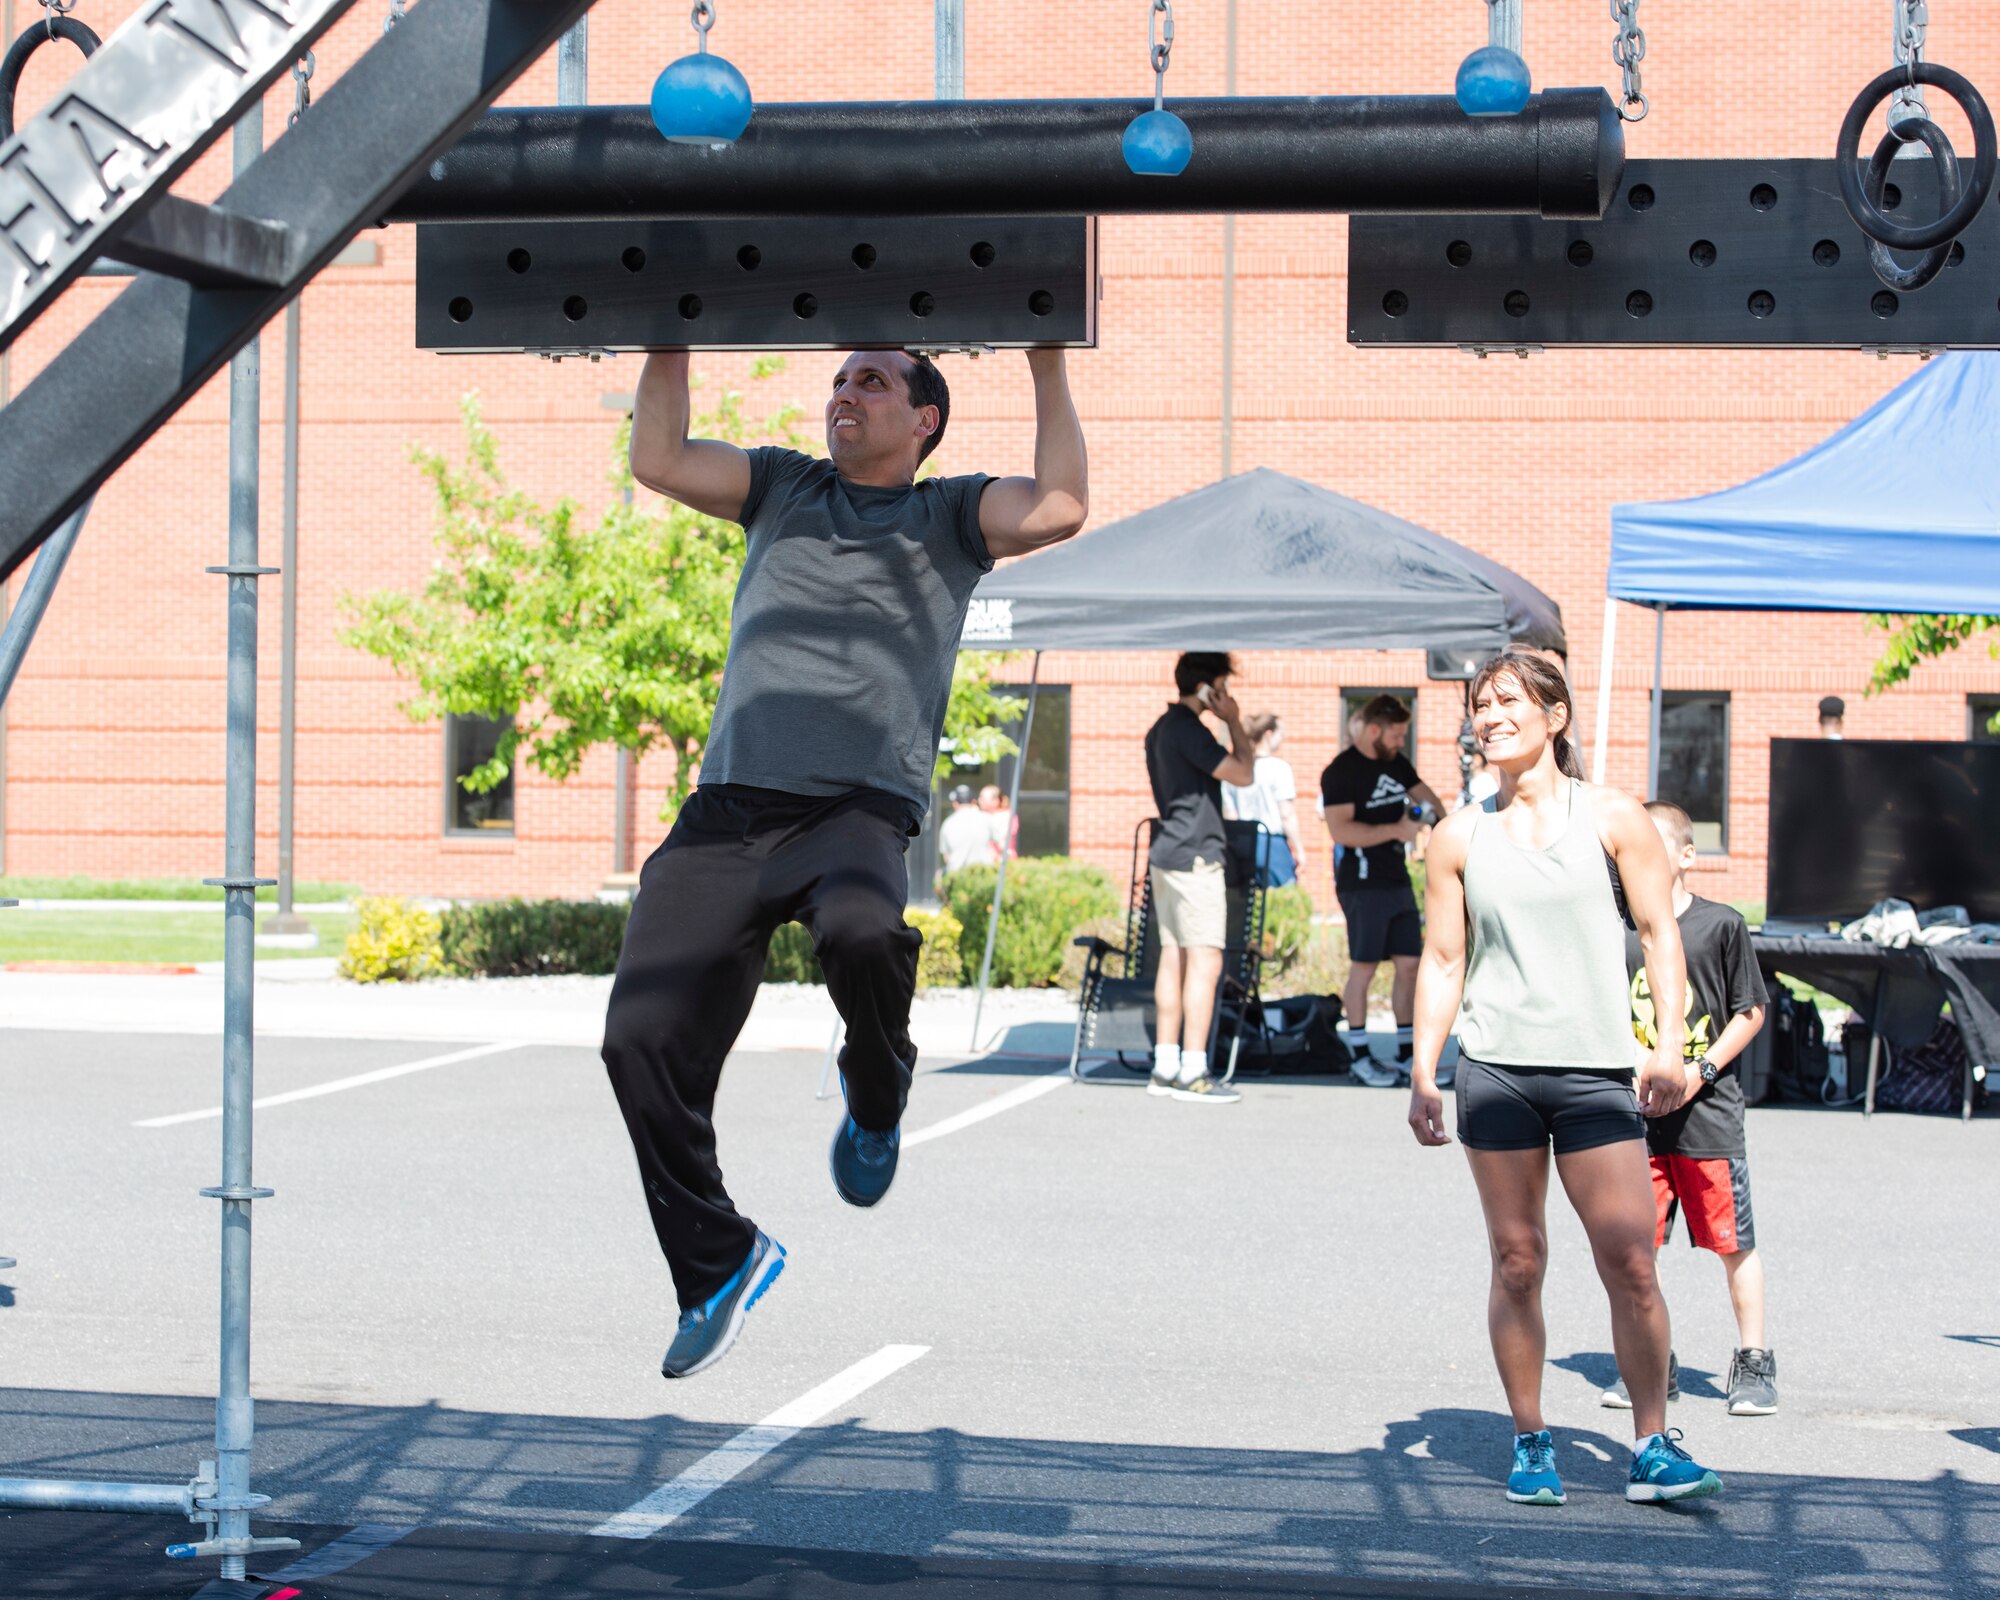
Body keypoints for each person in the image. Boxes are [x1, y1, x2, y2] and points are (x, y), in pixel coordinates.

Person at [603, 346, 1087, 1379]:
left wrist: (1045, 357)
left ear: (924, 422)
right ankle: (717, 1258)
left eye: (872, 382)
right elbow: (658, 458)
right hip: (728, 808)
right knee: (636, 1036)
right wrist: (666, 336)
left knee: (865, 930)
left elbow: (1056, 507)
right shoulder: (782, 484)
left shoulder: (949, 515)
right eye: (839, 379)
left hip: (856, 810)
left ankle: (876, 1092)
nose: (844, 394)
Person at [1407, 650, 1724, 1510]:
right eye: (1481, 704)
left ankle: (1654, 1443)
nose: (1491, 714)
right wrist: (1423, 1072)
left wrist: (1664, 1046)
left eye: (1509, 700)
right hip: (1497, 1074)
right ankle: (1531, 1438)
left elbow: (1662, 935)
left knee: (1631, 1260)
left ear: (1556, 717)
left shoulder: (1616, 818)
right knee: (1518, 1261)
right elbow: (1443, 958)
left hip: (1594, 1073)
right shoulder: (1459, 835)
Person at [1605, 801, 1776, 1417]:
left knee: (1733, 1244)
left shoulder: (1720, 924)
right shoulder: (1616, 927)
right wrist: (1636, 1063)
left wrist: (1699, 1072)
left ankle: (1753, 1361)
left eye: (1655, 844)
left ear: (1684, 855)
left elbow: (1749, 1010)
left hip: (1708, 1116)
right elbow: (1603, 1007)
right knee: (1634, 1246)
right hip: (1634, 1115)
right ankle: (1653, 1361)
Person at [1142, 652, 1255, 1105]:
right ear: (1208, 688)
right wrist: (1234, 721)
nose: (1227, 696)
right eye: (1223, 688)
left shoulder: (1160, 728)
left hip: (1168, 851)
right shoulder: (1192, 730)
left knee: (1174, 958)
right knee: (1205, 961)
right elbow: (1244, 774)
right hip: (1194, 858)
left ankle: (1166, 1066)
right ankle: (1193, 1070)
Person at [1320, 695, 1443, 1087]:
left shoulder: (1396, 763)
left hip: (1397, 880)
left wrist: (1428, 818)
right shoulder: (1340, 772)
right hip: (1361, 883)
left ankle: (1410, 1057)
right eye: (1396, 733)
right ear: (1374, 730)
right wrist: (1397, 829)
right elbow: (1341, 830)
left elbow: (1432, 802)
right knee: (1365, 967)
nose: (1401, 740)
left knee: (1410, 965)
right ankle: (1360, 1055)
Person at [1222, 712, 1308, 888]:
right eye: (1280, 735)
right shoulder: (1279, 768)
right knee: (1281, 905)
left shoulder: (1234, 770)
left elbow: (1230, 815)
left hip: (1242, 843)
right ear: (1269, 735)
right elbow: (1287, 815)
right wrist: (1299, 850)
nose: (1282, 740)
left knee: (1247, 905)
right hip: (1272, 844)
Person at [938, 783, 996, 877]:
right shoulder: (987, 819)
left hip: (957, 878)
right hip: (983, 876)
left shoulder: (947, 824)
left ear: (955, 804)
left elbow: (946, 857)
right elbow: (998, 847)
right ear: (973, 802)